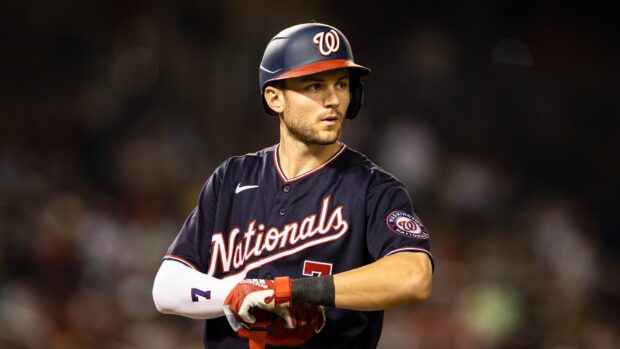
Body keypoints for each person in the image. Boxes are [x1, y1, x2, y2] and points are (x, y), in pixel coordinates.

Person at [152, 22, 434, 349]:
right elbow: (166, 288)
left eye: (341, 84)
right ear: (275, 98)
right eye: (315, 86)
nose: (333, 100)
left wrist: (291, 290)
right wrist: (236, 293)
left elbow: (414, 276)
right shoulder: (232, 178)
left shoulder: (373, 188)